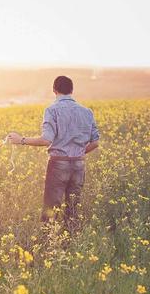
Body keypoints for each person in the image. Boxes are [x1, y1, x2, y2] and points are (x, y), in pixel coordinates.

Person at [7, 75, 100, 234]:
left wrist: (20, 140)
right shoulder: (87, 112)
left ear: (54, 90)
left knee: (51, 208)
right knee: (73, 208)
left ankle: (48, 243)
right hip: (79, 165)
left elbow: (46, 140)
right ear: (72, 90)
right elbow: (95, 142)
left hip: (58, 165)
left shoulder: (52, 110)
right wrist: (76, 153)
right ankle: (70, 242)